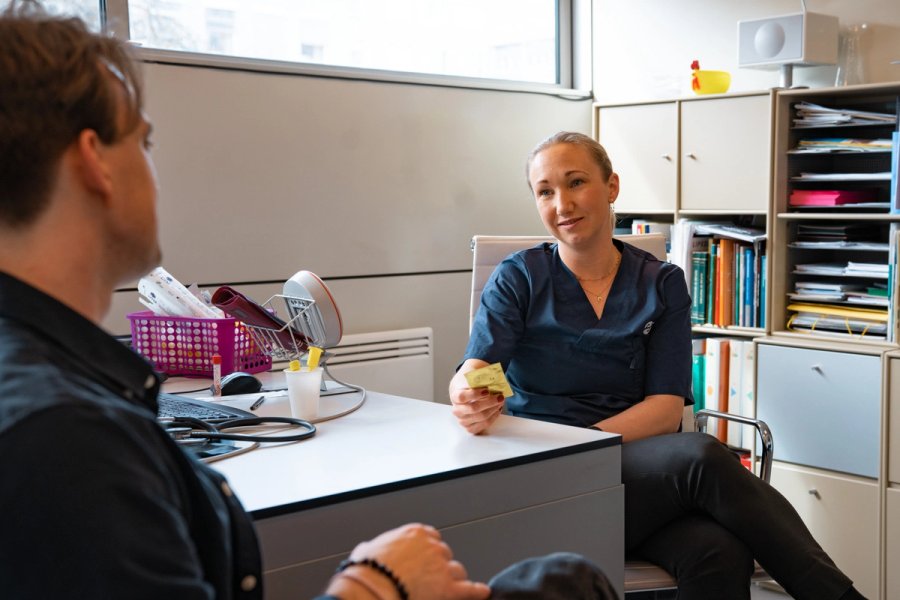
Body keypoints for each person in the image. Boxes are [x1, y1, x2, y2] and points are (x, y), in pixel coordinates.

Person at [0, 5, 619, 599]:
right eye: (144, 141)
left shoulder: (59, 396)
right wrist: (372, 586)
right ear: (94, 163)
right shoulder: (64, 439)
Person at [449, 131, 868, 600]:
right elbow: (476, 366)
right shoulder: (520, 276)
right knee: (702, 456)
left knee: (718, 551)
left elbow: (665, 410)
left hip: (632, 472)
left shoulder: (663, 282)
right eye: (545, 191)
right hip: (550, 477)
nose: (562, 203)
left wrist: (589, 444)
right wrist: (467, 394)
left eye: (576, 182)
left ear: (611, 188)